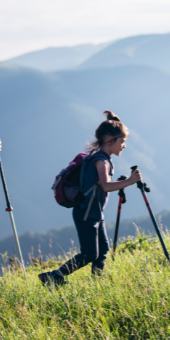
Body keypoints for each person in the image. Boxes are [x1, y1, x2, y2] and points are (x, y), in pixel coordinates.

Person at [39, 111, 141, 286]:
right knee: (89, 253)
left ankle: (97, 283)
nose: (124, 146)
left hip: (93, 212)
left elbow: (102, 184)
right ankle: (55, 275)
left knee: (102, 251)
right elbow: (106, 185)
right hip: (86, 212)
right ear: (110, 140)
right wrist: (129, 182)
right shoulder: (101, 161)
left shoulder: (103, 158)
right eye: (122, 141)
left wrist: (122, 183)